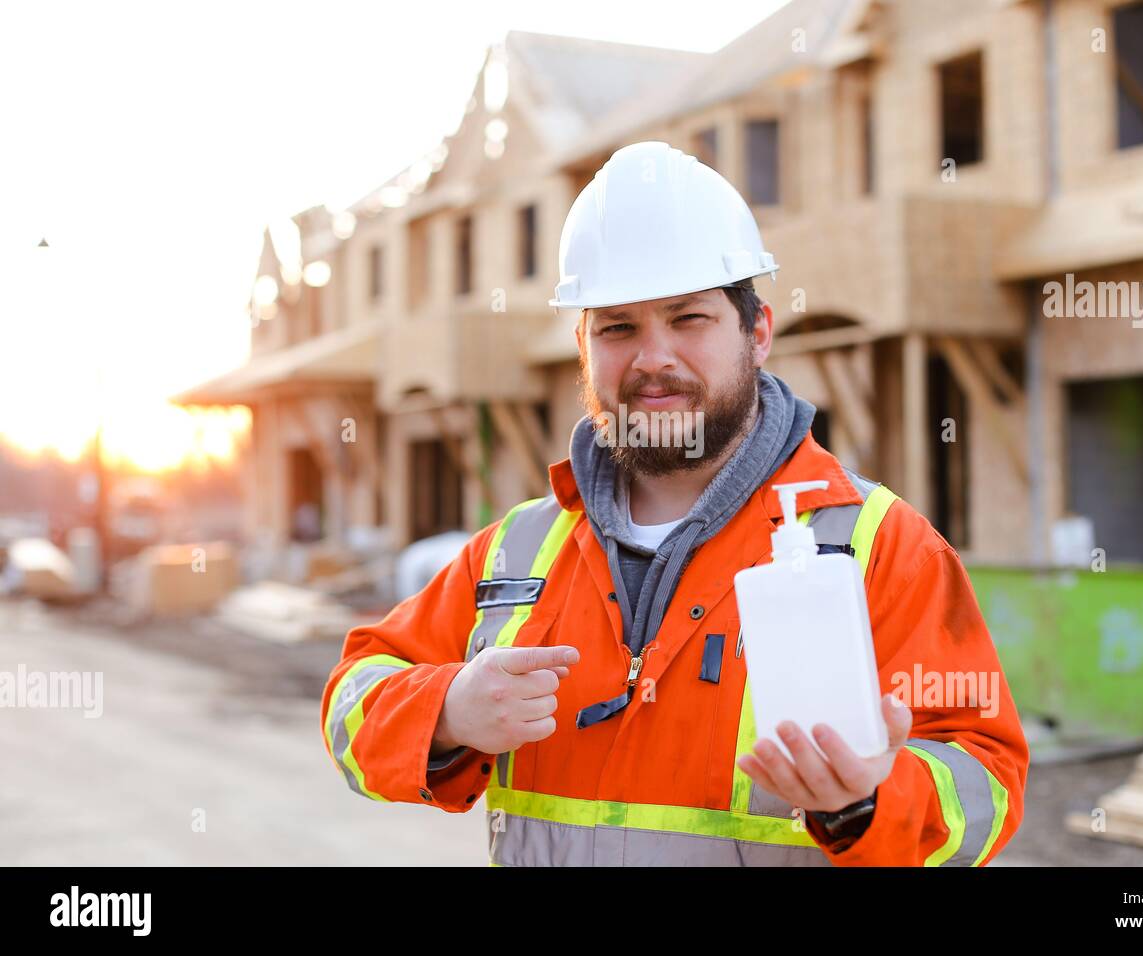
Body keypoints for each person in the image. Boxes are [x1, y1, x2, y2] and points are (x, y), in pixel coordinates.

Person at [321, 141, 1029, 866]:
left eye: (688, 318)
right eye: (618, 327)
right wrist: (446, 711)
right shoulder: (516, 549)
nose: (653, 358)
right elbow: (353, 699)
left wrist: (869, 801)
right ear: (583, 347)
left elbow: (989, 782)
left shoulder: (880, 546)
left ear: (757, 333)